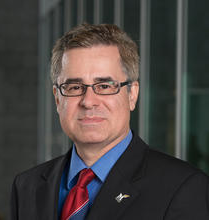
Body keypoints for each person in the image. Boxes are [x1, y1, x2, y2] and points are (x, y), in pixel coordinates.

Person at [11, 23, 209, 220]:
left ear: (132, 94)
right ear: (57, 98)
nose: (88, 102)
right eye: (74, 87)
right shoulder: (27, 186)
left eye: (105, 86)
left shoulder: (182, 188)